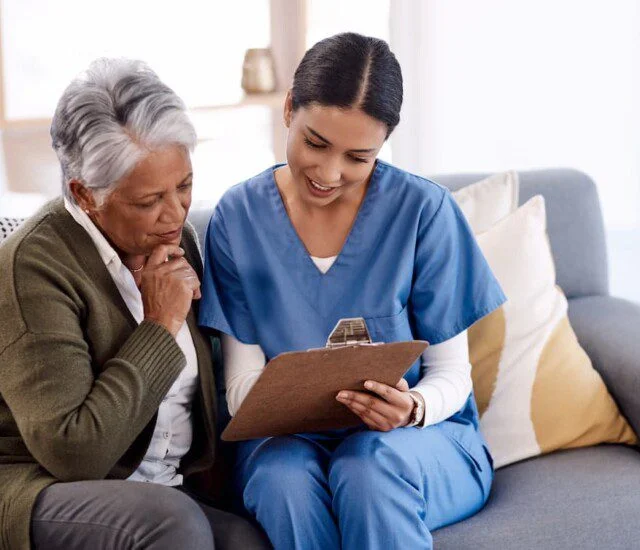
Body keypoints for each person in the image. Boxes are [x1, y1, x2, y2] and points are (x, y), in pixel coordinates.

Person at [199, 33, 506, 550]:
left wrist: (411, 410)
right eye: (315, 143)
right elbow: (241, 381)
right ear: (289, 108)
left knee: (368, 465)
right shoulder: (239, 218)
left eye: (358, 157)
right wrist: (292, 406)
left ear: (383, 145)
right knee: (283, 480)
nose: (328, 173)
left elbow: (452, 376)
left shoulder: (423, 213)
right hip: (285, 447)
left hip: (413, 444)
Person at [0, 58, 270, 550]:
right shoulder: (32, 267)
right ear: (86, 195)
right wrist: (161, 326)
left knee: (246, 540)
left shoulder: (177, 242)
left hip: (163, 488)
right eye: (149, 201)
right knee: (172, 522)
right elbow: (74, 453)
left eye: (184, 186)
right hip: (39, 486)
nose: (175, 214)